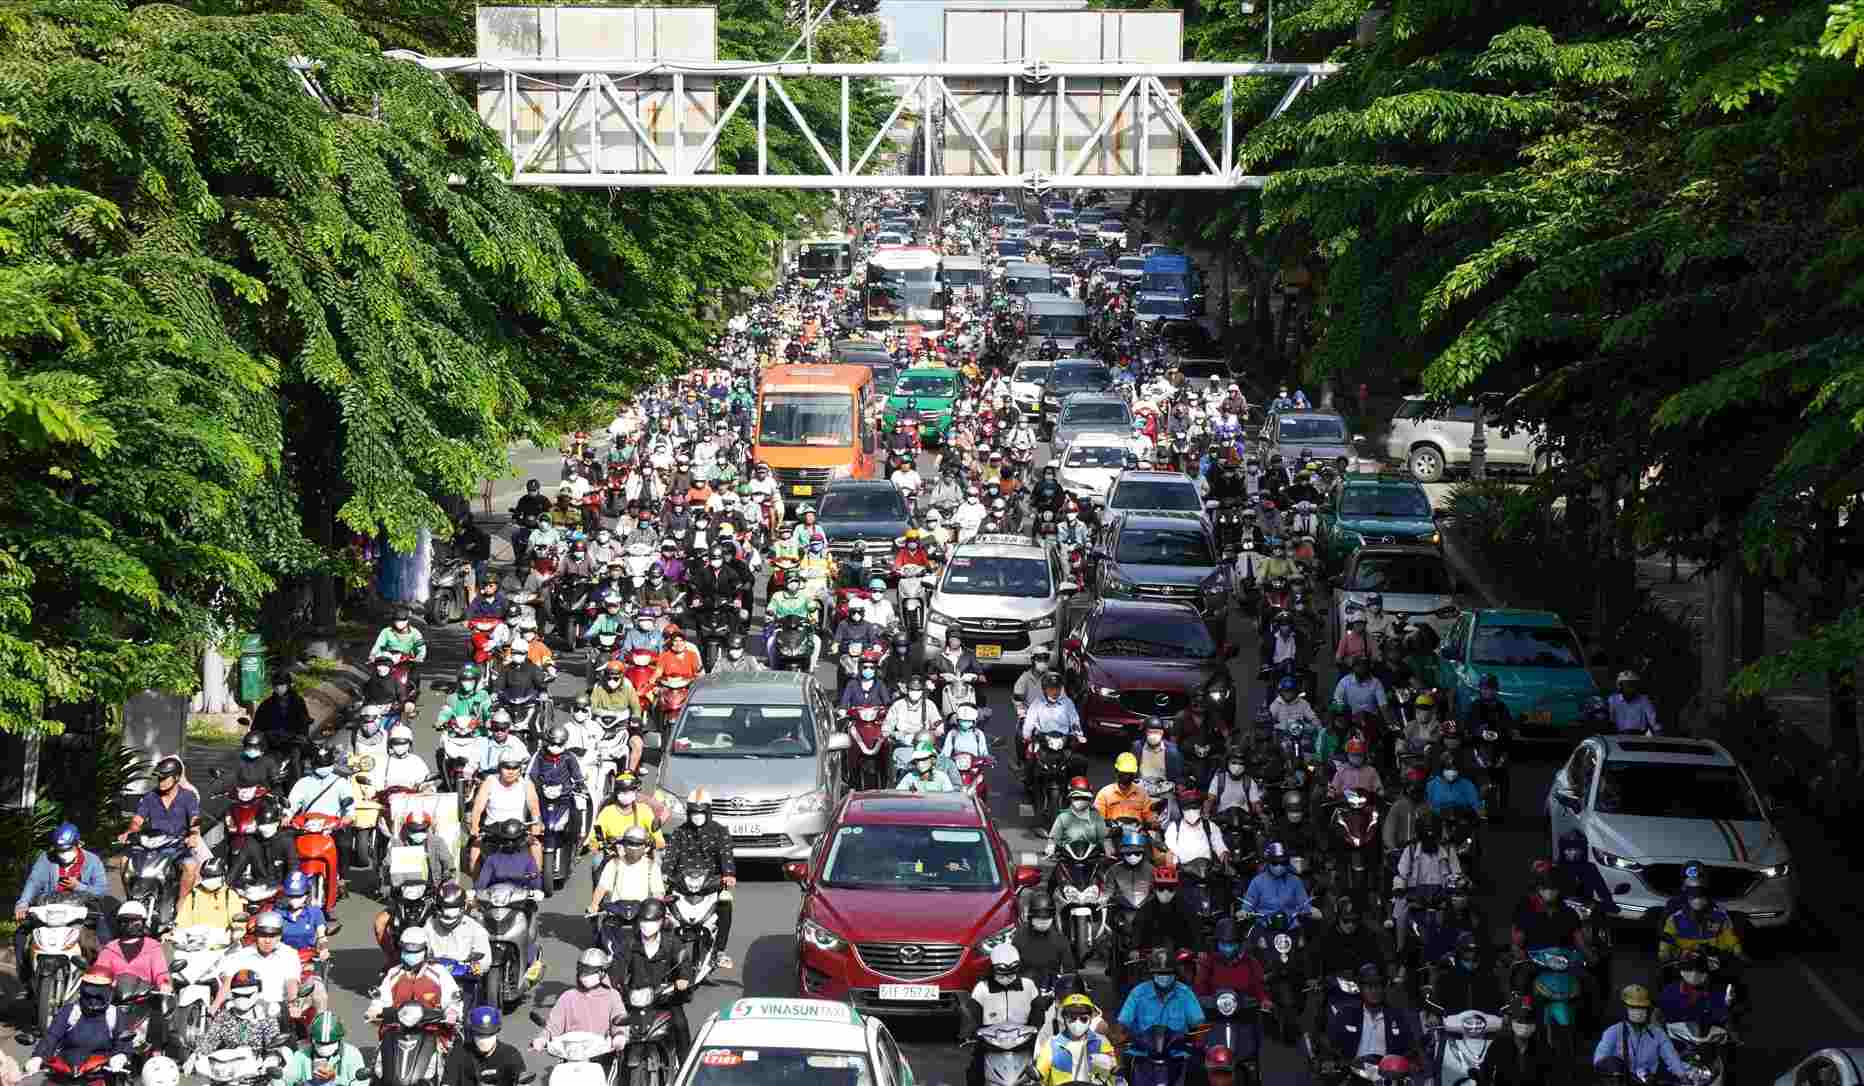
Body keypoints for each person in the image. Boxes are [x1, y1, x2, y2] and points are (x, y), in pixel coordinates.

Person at [13, 822, 111, 992]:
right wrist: (23, 903)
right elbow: (34, 882)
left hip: (80, 913)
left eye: (67, 849)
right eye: (60, 850)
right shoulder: (46, 859)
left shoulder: (93, 861)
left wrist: (79, 886)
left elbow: (101, 890)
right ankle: (27, 979)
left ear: (78, 844)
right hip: (48, 910)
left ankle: (99, 983)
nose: (63, 854)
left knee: (103, 940)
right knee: (21, 935)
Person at [661, 789, 737, 971]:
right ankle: (661, 946)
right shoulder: (680, 832)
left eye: (701, 812)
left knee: (726, 903)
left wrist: (728, 874)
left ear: (708, 812)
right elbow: (671, 855)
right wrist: (664, 873)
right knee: (661, 905)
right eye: (694, 812)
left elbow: (726, 855)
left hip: (711, 883)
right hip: (682, 883)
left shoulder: (720, 832)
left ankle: (719, 951)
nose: (697, 816)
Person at [959, 944, 1048, 1086]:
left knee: (1043, 1071)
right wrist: (969, 1032)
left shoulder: (1028, 986)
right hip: (991, 1043)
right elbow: (972, 1013)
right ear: (993, 969)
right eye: (1002, 974)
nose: (1007, 978)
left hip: (1024, 1042)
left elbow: (1038, 1011)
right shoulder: (982, 988)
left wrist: (1037, 1028)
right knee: (974, 1073)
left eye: (1011, 973)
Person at [616, 898, 693, 1061]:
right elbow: (618, 965)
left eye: (652, 921)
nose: (646, 924)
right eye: (643, 920)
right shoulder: (629, 943)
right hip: (635, 1000)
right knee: (614, 1026)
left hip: (665, 999)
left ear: (661, 922)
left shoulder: (672, 943)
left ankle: (685, 1065)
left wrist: (683, 979)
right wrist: (615, 982)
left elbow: (684, 964)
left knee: (680, 1025)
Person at [118, 756, 203, 900]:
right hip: (151, 845)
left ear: (176, 778)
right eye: (159, 778)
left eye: (164, 778)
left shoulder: (189, 797)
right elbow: (137, 820)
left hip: (177, 845)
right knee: (125, 861)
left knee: (191, 867)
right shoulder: (150, 797)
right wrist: (130, 832)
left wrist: (194, 835)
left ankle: (180, 905)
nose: (161, 782)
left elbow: (195, 819)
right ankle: (131, 899)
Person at [531, 948, 629, 1054]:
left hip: (602, 1056)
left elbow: (619, 1021)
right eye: (583, 971)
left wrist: (619, 1036)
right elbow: (554, 1025)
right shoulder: (568, 997)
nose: (585, 975)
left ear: (602, 972)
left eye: (590, 971)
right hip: (571, 1056)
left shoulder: (612, 996)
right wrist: (542, 1039)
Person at [1391, 815, 1460, 955]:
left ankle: (1457, 948)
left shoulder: (1447, 849)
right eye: (1427, 838)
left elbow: (1456, 874)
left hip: (1441, 894)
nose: (1430, 842)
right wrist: (1399, 888)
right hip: (1416, 895)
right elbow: (1401, 874)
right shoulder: (1410, 850)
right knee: (1401, 914)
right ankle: (1400, 949)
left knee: (1459, 914)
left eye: (1433, 838)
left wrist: (1456, 885)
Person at [1320, 964, 1416, 1065]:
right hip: (1352, 1072)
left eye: (1378, 986)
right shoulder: (1346, 1014)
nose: (1374, 991)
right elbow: (1330, 1045)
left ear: (1384, 988)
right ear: (1361, 988)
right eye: (1369, 986)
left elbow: (1409, 1050)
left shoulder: (1397, 1017)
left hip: (1386, 1075)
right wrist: (1329, 1060)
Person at [369, 927, 464, 1026]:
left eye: (416, 951)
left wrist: (452, 1012)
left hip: (433, 1028)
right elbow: (382, 999)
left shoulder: (439, 972)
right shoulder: (394, 973)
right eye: (407, 951)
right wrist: (374, 1009)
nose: (411, 954)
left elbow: (453, 999)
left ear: (426, 950)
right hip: (399, 1028)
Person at [467, 752, 543, 875]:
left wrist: (536, 825)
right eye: (507, 767)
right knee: (474, 853)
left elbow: (534, 807)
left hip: (519, 831)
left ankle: (535, 881)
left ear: (520, 769)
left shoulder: (527, 785)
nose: (511, 771)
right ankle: (478, 889)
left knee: (536, 845)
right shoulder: (490, 782)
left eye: (515, 768)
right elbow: (478, 807)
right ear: (499, 768)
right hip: (492, 831)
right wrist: (475, 826)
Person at [1593, 985, 1692, 1080]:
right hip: (1621, 1081)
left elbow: (1671, 1057)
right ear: (1625, 1009)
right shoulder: (1613, 1032)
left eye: (1642, 1009)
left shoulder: (1658, 1033)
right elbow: (1599, 1059)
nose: (1638, 1013)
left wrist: (1683, 1075)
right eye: (1633, 1008)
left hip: (1649, 1080)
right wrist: (1614, 1068)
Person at [214, 911, 301, 1013]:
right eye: (263, 935)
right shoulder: (241, 956)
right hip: (245, 1011)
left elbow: (292, 982)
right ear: (256, 935)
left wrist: (292, 1004)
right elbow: (226, 986)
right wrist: (213, 1009)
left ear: (279, 936)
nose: (267, 941)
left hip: (277, 1012)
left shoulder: (289, 955)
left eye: (272, 936)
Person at [1659, 867, 1745, 964]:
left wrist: (1738, 952)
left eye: (1701, 894)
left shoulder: (1720, 915)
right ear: (1687, 896)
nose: (1698, 899)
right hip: (1685, 956)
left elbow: (1729, 934)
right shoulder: (1675, 918)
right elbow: (1667, 937)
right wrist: (1664, 953)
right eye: (1693, 895)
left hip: (1714, 956)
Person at [423, 882, 492, 1001]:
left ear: (463, 908)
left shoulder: (475, 928)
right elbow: (422, 944)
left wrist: (474, 966)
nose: (449, 914)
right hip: (433, 978)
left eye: (453, 909)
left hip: (464, 981)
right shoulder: (430, 924)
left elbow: (485, 960)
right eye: (445, 908)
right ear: (439, 908)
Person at [1116, 947, 1205, 1037]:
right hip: (1143, 1048)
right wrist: (1121, 1037)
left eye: (1168, 973)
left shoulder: (1185, 993)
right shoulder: (1138, 993)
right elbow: (1123, 1022)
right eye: (1160, 973)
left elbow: (1198, 1023)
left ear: (1175, 973)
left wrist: (1197, 1038)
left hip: (1178, 1048)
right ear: (1152, 973)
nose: (1164, 977)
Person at [275, 873, 331, 1014]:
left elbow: (322, 937)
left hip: (308, 965)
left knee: (320, 995)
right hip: (283, 965)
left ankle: (320, 1032)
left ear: (306, 895)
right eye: (291, 895)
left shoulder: (315, 913)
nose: (294, 899)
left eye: (298, 895)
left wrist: (323, 949)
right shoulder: (277, 914)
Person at [1034, 995, 1119, 1086]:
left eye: (1083, 1019)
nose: (1077, 1023)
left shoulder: (1102, 1043)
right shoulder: (1052, 1045)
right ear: (1065, 1018)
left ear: (1090, 1019)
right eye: (1072, 1018)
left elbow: (1115, 1077)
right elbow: (1039, 1076)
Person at [91, 901, 170, 993]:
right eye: (125, 920)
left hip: (143, 1000)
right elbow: (99, 972)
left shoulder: (153, 947)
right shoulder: (109, 948)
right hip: (113, 999)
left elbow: (160, 972)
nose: (130, 924)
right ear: (119, 923)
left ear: (143, 922)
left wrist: (164, 984)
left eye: (135, 920)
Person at [591, 825, 665, 916]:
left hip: (642, 912)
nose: (633, 847)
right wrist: (594, 905)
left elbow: (657, 892)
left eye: (638, 844)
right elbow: (602, 887)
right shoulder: (614, 863)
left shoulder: (652, 866)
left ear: (646, 847)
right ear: (624, 844)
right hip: (616, 912)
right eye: (630, 843)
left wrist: (659, 908)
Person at [443, 1006, 527, 1086]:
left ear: (497, 1032)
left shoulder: (511, 1055)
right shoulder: (458, 1054)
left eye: (490, 1034)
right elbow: (447, 1082)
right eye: (480, 1035)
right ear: (472, 1032)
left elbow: (523, 1079)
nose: (485, 1040)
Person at [1193, 919, 1271, 1005]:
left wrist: (1264, 999)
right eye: (1223, 943)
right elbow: (1200, 989)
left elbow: (1259, 986)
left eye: (1231, 944)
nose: (1227, 949)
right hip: (1215, 1012)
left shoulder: (1250, 962)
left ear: (1239, 944)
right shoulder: (1208, 962)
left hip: (1246, 1012)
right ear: (1216, 943)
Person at [589, 770, 667, 854]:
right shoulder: (607, 812)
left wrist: (652, 844)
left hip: (640, 855)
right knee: (597, 861)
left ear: (636, 791)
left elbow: (660, 841)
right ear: (616, 792)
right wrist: (596, 845)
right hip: (614, 855)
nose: (626, 794)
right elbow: (594, 839)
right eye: (623, 791)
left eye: (630, 791)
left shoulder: (645, 811)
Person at [1481, 1001, 1557, 1086]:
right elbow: (1486, 1072)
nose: (1525, 1025)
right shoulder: (1499, 1045)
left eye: (1529, 1021)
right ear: (1512, 1022)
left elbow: (1553, 1075)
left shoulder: (1543, 1047)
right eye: (1520, 1021)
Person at [279, 1013, 366, 1086]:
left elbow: (361, 1083)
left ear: (339, 1040)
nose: (324, 1047)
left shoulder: (352, 1054)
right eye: (320, 1043)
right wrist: (278, 1077)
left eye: (330, 1043)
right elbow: (288, 1077)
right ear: (312, 1040)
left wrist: (335, 1079)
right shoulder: (302, 1054)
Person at [1013, 892, 1073, 984]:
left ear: (1052, 918)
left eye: (1047, 919)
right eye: (1039, 919)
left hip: (1051, 988)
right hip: (1025, 989)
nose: (1043, 922)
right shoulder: (1019, 939)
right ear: (1031, 918)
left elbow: (1070, 972)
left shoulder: (1060, 941)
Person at [369, 606, 429, 695]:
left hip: (407, 660)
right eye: (397, 620)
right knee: (375, 675)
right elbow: (377, 645)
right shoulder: (386, 632)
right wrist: (372, 655)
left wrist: (419, 657)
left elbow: (422, 648)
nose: (399, 623)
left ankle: (412, 697)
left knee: (415, 676)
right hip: (389, 660)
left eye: (402, 620)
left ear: (407, 621)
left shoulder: (415, 633)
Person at [1043, 778, 1110, 857]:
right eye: (1077, 798)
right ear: (1070, 798)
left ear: (1089, 799)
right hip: (1067, 858)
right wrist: (1051, 846)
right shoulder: (1062, 817)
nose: (1080, 801)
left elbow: (1104, 837)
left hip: (1091, 859)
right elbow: (1054, 837)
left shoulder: (1096, 817)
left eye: (1084, 798)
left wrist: (1108, 848)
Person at [1095, 752, 1154, 826]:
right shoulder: (1105, 794)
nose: (1127, 777)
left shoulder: (1142, 794)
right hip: (1113, 835)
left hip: (1136, 835)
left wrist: (1152, 824)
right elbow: (1097, 820)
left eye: (1130, 774)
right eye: (1124, 773)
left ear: (1134, 774)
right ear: (1117, 772)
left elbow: (1150, 818)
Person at [252, 674, 313, 739]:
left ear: (288, 684)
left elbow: (304, 721)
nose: (278, 687)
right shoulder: (266, 704)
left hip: (292, 741)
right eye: (275, 684)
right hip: (270, 741)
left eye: (281, 683)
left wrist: (300, 735)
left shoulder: (298, 701)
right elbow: (256, 726)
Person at [1426, 752, 1482, 817]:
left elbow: (1476, 804)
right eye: (1448, 768)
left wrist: (1476, 811)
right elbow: (1428, 806)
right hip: (1439, 818)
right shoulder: (1432, 785)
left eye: (1455, 769)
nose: (1452, 772)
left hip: (1462, 818)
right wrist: (1439, 811)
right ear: (1442, 769)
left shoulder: (1467, 784)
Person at [1131, 716, 1182, 783]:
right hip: (1141, 785)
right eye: (1150, 732)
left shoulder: (1172, 751)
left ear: (1162, 733)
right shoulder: (1137, 747)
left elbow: (1177, 775)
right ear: (1145, 732)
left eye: (1157, 732)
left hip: (1164, 786)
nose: (1154, 735)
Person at [1608, 670, 1660, 734]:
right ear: (1620, 686)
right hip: (1618, 737)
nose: (1631, 688)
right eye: (1628, 685)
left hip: (1638, 737)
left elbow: (1653, 720)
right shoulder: (1613, 699)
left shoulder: (1644, 700)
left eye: (1633, 684)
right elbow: (1610, 721)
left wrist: (1658, 731)